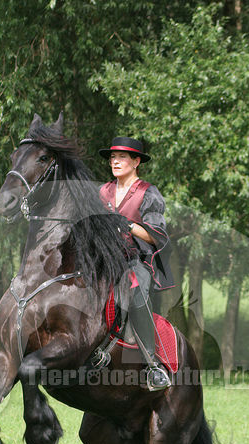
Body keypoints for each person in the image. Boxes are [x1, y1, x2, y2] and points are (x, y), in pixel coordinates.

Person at [98, 136, 174, 391]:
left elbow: (156, 235)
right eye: (112, 157)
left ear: (136, 161)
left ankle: (153, 367)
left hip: (134, 261)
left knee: (135, 291)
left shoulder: (148, 193)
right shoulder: (103, 191)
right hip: (103, 260)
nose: (115, 162)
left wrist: (128, 225)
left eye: (121, 157)